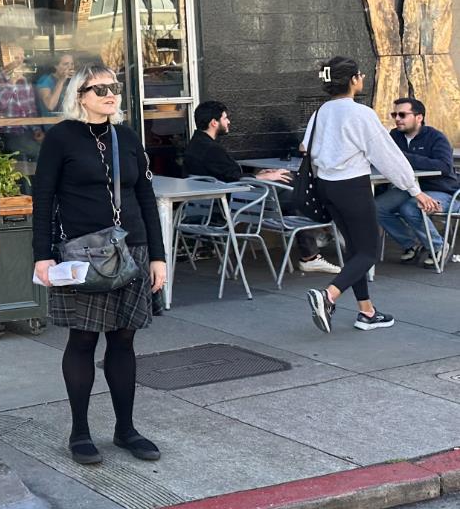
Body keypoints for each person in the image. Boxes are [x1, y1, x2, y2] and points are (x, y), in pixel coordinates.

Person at [31, 65, 167, 466]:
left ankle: (125, 429)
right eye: (101, 88)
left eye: (115, 88)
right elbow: (44, 198)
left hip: (133, 250)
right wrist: (42, 253)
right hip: (84, 254)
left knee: (124, 339)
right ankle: (80, 433)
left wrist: (158, 256)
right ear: (81, 95)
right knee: (84, 339)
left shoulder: (125, 137)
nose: (111, 94)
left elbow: (146, 196)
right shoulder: (61, 138)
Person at [304, 58, 442, 333]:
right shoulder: (360, 114)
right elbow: (388, 156)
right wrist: (413, 189)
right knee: (368, 252)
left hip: (326, 186)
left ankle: (366, 312)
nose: (362, 78)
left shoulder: (321, 112)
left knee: (356, 250)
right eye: (360, 75)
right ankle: (328, 295)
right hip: (352, 186)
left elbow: (305, 146)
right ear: (354, 80)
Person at [184, 100, 339, 274]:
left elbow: (225, 174)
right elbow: (233, 178)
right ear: (214, 122)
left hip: (213, 206)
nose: (229, 122)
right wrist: (263, 177)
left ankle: (318, 237)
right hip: (235, 205)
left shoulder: (195, 144)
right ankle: (322, 236)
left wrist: (262, 174)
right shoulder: (211, 149)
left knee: (290, 187)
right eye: (225, 118)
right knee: (298, 192)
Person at [374, 97, 456, 267]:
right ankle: (411, 245)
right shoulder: (394, 136)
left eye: (402, 115)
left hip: (442, 190)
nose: (397, 119)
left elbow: (444, 167)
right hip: (408, 188)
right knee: (375, 207)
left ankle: (439, 246)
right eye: (394, 114)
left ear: (419, 117)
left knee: (410, 207)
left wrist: (404, 158)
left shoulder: (436, 137)